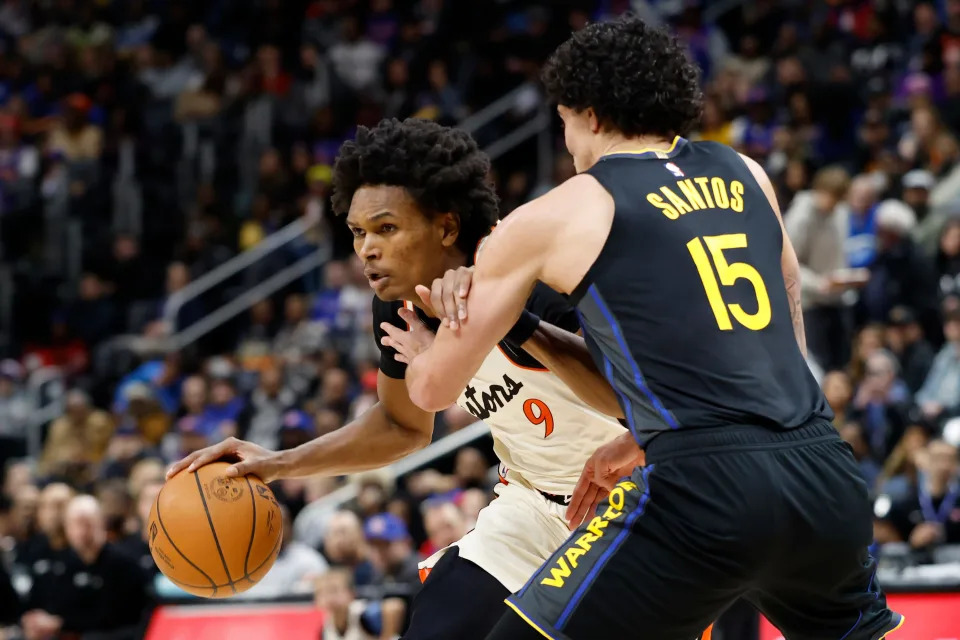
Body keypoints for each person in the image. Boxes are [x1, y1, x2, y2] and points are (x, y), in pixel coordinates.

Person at [381, 16, 902, 640]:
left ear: (592, 114)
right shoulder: (747, 173)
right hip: (820, 468)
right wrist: (646, 434)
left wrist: (426, 348)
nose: (567, 139)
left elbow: (434, 393)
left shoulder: (561, 210)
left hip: (702, 487)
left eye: (565, 119)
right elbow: (785, 328)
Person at [168, 118, 631, 640]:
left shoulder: (534, 275)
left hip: (633, 502)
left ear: (447, 227)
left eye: (386, 229)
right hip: (532, 506)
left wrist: (504, 324)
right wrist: (277, 464)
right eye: (358, 233)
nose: (366, 248)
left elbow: (630, 399)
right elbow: (401, 425)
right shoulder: (396, 310)